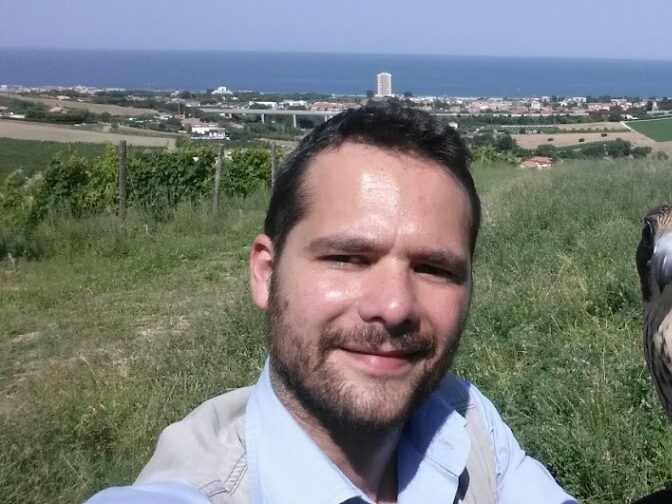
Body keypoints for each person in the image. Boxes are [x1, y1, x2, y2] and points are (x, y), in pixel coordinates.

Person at [87, 103, 576, 504]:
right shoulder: (196, 488)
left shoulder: (468, 423)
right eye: (346, 258)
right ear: (265, 273)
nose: (394, 306)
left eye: (433, 269)